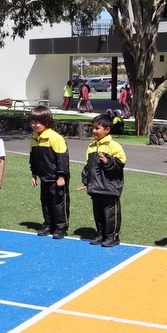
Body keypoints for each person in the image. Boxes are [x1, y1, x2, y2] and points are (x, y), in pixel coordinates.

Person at [78, 113, 127, 247]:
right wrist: (86, 182)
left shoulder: (114, 146)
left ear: (107, 130)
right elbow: (88, 166)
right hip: (95, 187)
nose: (94, 131)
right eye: (93, 128)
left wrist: (108, 161)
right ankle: (101, 233)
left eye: (97, 128)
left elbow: (121, 163)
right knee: (98, 212)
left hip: (109, 187)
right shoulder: (92, 146)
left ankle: (112, 236)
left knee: (110, 213)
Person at [29, 105, 70, 239]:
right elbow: (33, 158)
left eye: (38, 122)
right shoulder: (34, 138)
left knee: (58, 202)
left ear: (46, 122)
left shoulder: (55, 137)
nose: (34, 125)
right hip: (44, 177)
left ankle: (61, 227)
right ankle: (48, 224)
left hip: (56, 177)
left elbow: (62, 158)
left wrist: (61, 176)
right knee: (45, 201)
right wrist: (34, 174)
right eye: (32, 122)